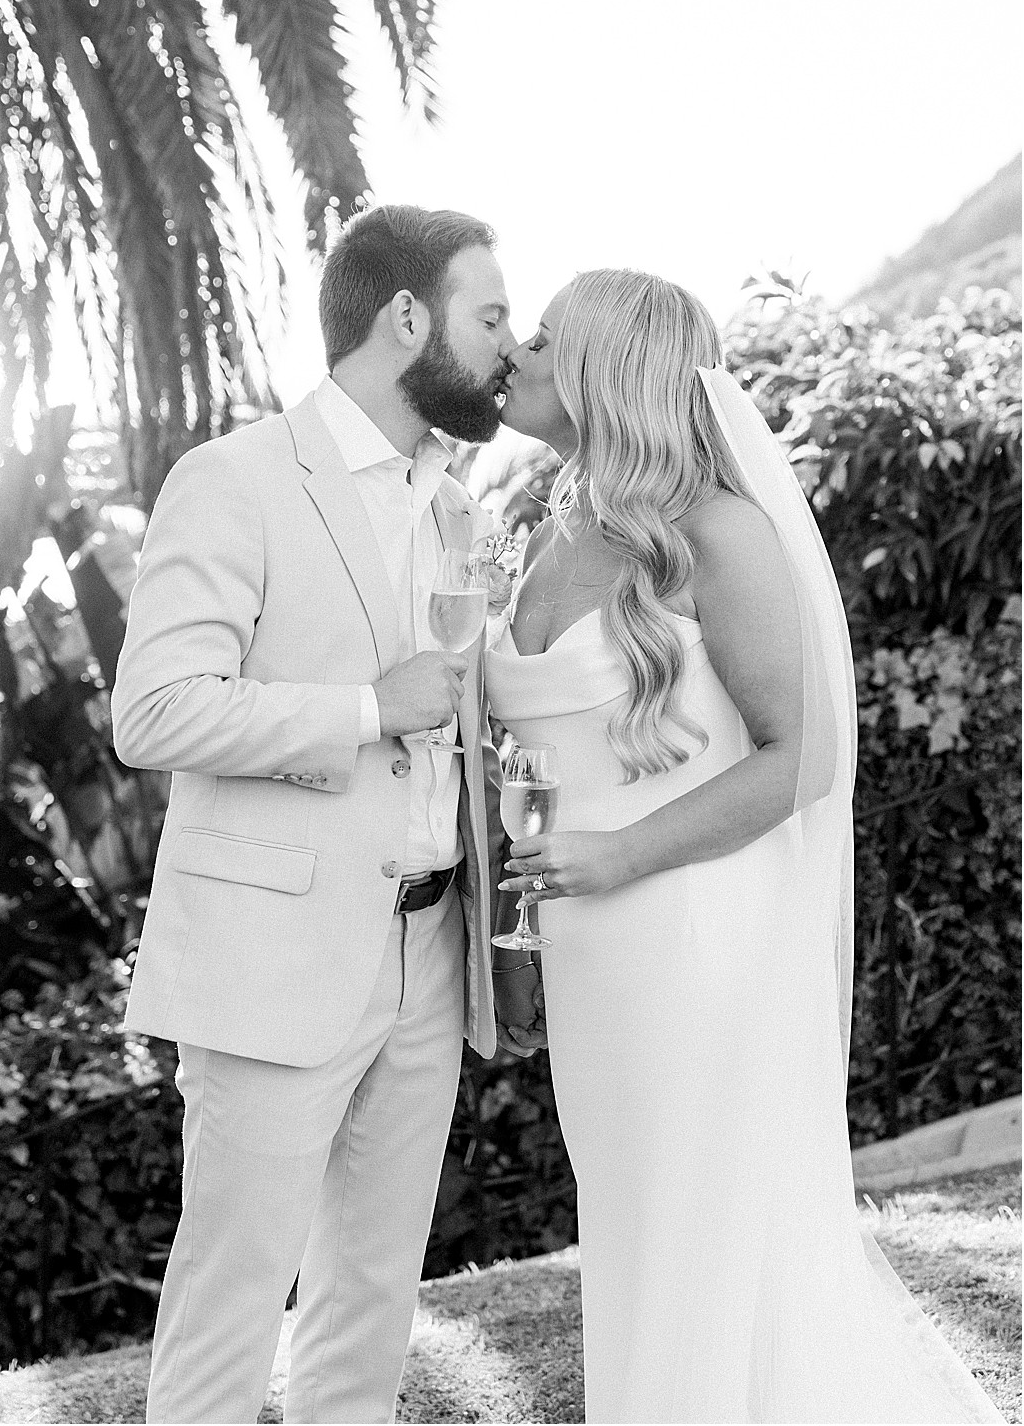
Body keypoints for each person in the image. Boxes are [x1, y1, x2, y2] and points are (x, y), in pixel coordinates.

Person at [486, 268, 1005, 1424]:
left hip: (689, 932)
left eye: (543, 337)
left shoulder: (719, 532)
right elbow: (532, 762)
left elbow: (800, 758)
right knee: (631, 1220)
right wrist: (514, 938)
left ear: (605, 370)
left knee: (705, 1225)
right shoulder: (547, 529)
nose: (515, 353)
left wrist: (618, 857)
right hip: (586, 949)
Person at [112, 204, 514, 1424]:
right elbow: (156, 713)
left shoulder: (456, 501)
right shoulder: (233, 479)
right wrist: (359, 708)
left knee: (373, 1295)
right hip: (273, 957)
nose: (511, 342)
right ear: (406, 319)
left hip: (429, 952)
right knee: (233, 1303)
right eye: (488, 314)